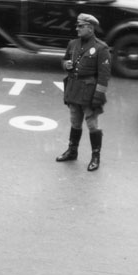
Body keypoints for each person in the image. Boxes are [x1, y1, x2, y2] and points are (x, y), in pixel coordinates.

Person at [56, 13, 111, 172]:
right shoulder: (72, 44)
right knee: (75, 122)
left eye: (81, 26)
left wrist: (98, 96)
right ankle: (72, 151)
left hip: (89, 91)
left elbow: (104, 75)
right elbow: (64, 60)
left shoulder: (101, 48)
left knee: (92, 124)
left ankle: (95, 156)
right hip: (74, 88)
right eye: (77, 26)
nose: (77, 29)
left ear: (90, 28)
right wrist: (66, 64)